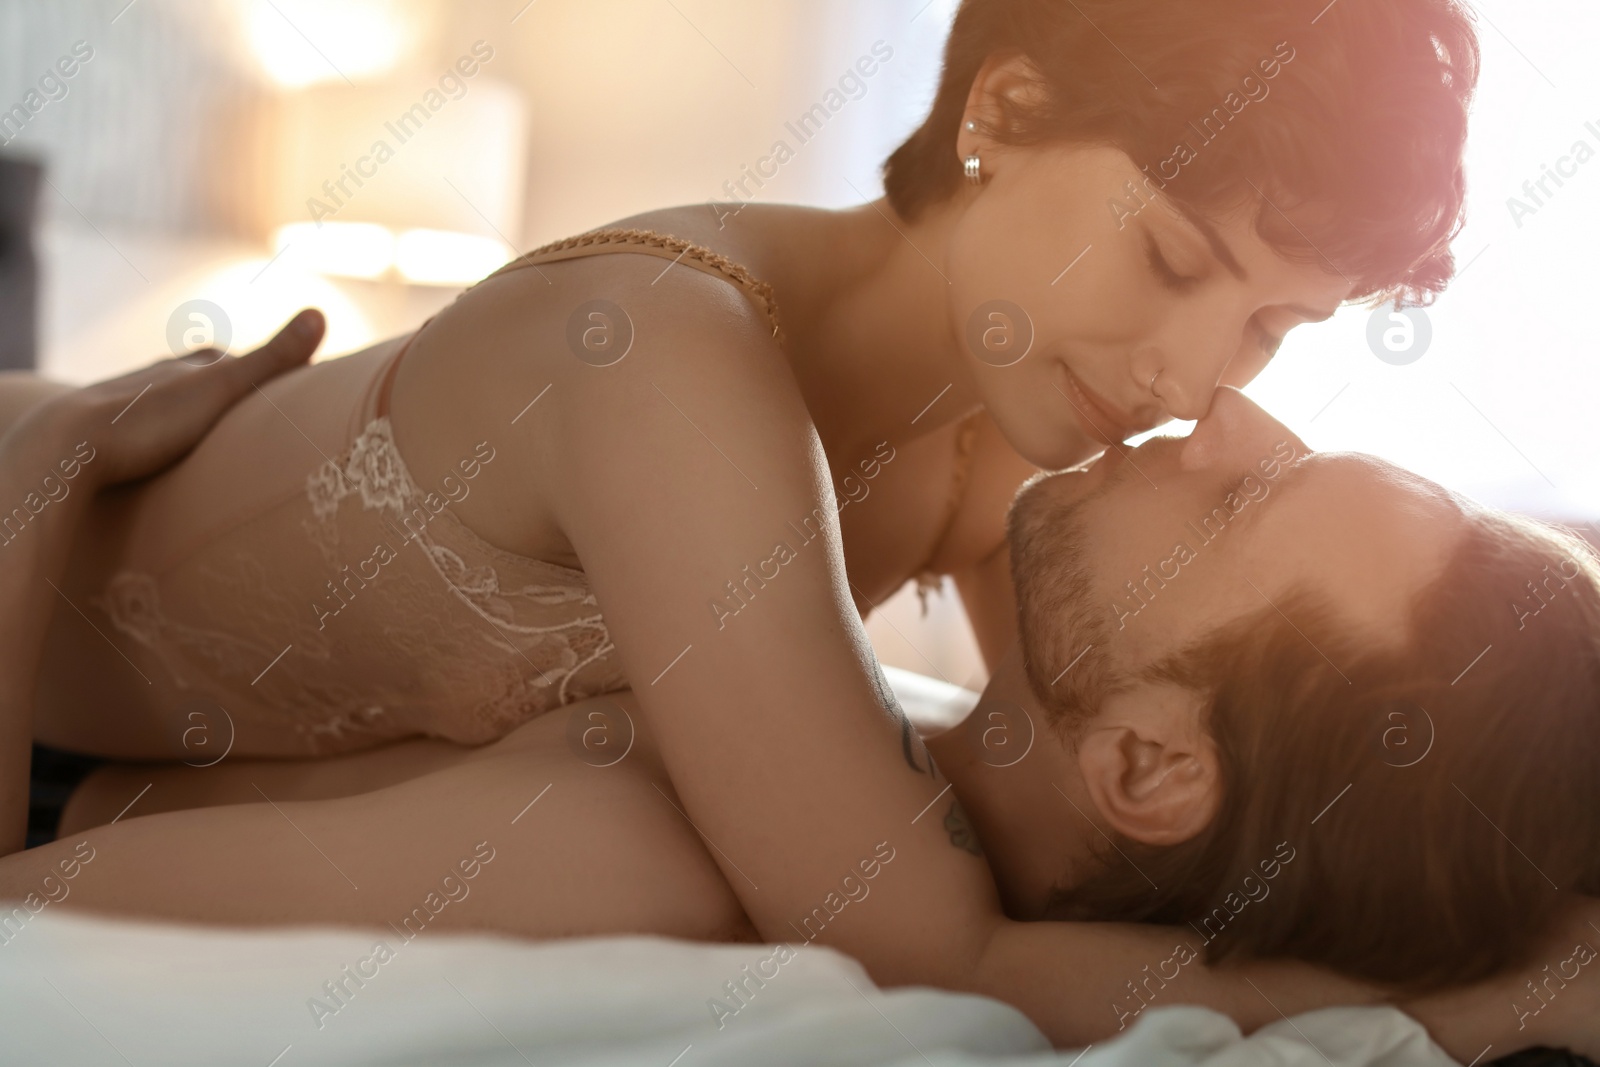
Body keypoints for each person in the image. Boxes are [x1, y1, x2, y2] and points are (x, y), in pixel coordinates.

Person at [3, 0, 1528, 1053]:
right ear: (1005, 108)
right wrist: (1511, 1009)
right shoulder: (656, 354)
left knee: (628, 838)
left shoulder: (1013, 440)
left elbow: (1092, 799)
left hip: (151, 790)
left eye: (1270, 326)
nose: (1192, 382)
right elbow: (945, 945)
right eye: (1177, 258)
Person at [10, 356, 1600, 1059]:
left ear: (1139, 762)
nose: (1229, 409)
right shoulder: (881, 730)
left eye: (1245, 502)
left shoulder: (640, 854)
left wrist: (41, 479)